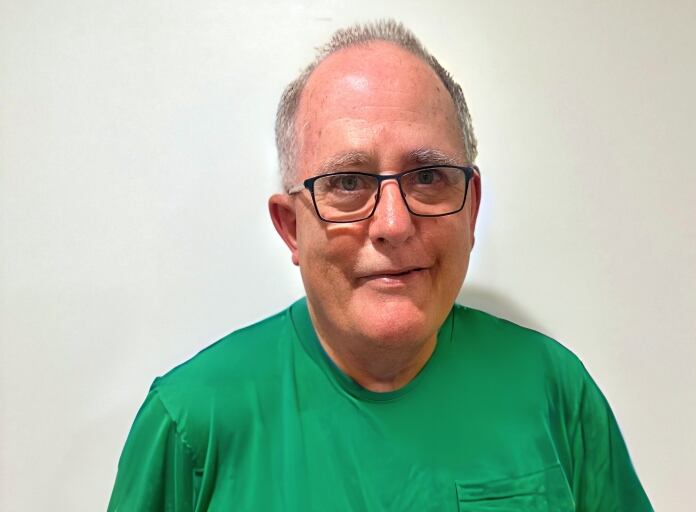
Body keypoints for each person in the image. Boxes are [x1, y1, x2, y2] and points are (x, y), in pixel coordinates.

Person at [109, 20, 653, 511]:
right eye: (347, 183)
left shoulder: (555, 393)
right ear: (291, 227)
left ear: (471, 208)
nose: (393, 223)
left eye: (428, 177)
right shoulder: (189, 427)